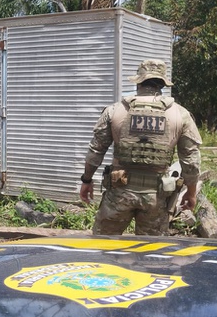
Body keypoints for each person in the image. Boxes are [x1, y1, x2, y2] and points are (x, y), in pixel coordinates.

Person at [79, 59, 202, 235]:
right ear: (163, 84)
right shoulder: (180, 114)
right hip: (156, 197)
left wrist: (86, 180)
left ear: (138, 81)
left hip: (119, 193)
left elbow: (96, 151)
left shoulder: (115, 110)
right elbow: (191, 162)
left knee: (103, 246)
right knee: (150, 254)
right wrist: (191, 193)